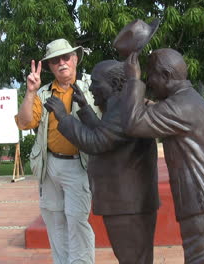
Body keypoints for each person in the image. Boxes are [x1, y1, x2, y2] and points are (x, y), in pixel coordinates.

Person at [121, 49, 204, 264]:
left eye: (151, 76)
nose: (149, 81)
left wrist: (132, 81)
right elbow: (157, 112)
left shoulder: (180, 106)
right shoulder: (188, 101)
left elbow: (133, 124)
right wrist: (144, 102)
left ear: (165, 76)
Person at [44, 60, 159, 264]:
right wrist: (85, 107)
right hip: (129, 202)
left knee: (132, 258)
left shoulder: (124, 108)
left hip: (127, 203)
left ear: (114, 84)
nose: (90, 87)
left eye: (96, 82)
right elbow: (107, 135)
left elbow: (97, 142)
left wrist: (63, 116)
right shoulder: (122, 106)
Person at [15, 38, 99, 264]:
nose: (61, 63)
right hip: (49, 165)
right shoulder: (42, 93)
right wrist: (30, 91)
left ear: (75, 59)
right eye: (55, 60)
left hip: (79, 164)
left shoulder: (93, 86)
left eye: (66, 57)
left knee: (77, 220)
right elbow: (24, 123)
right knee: (54, 219)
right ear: (50, 66)